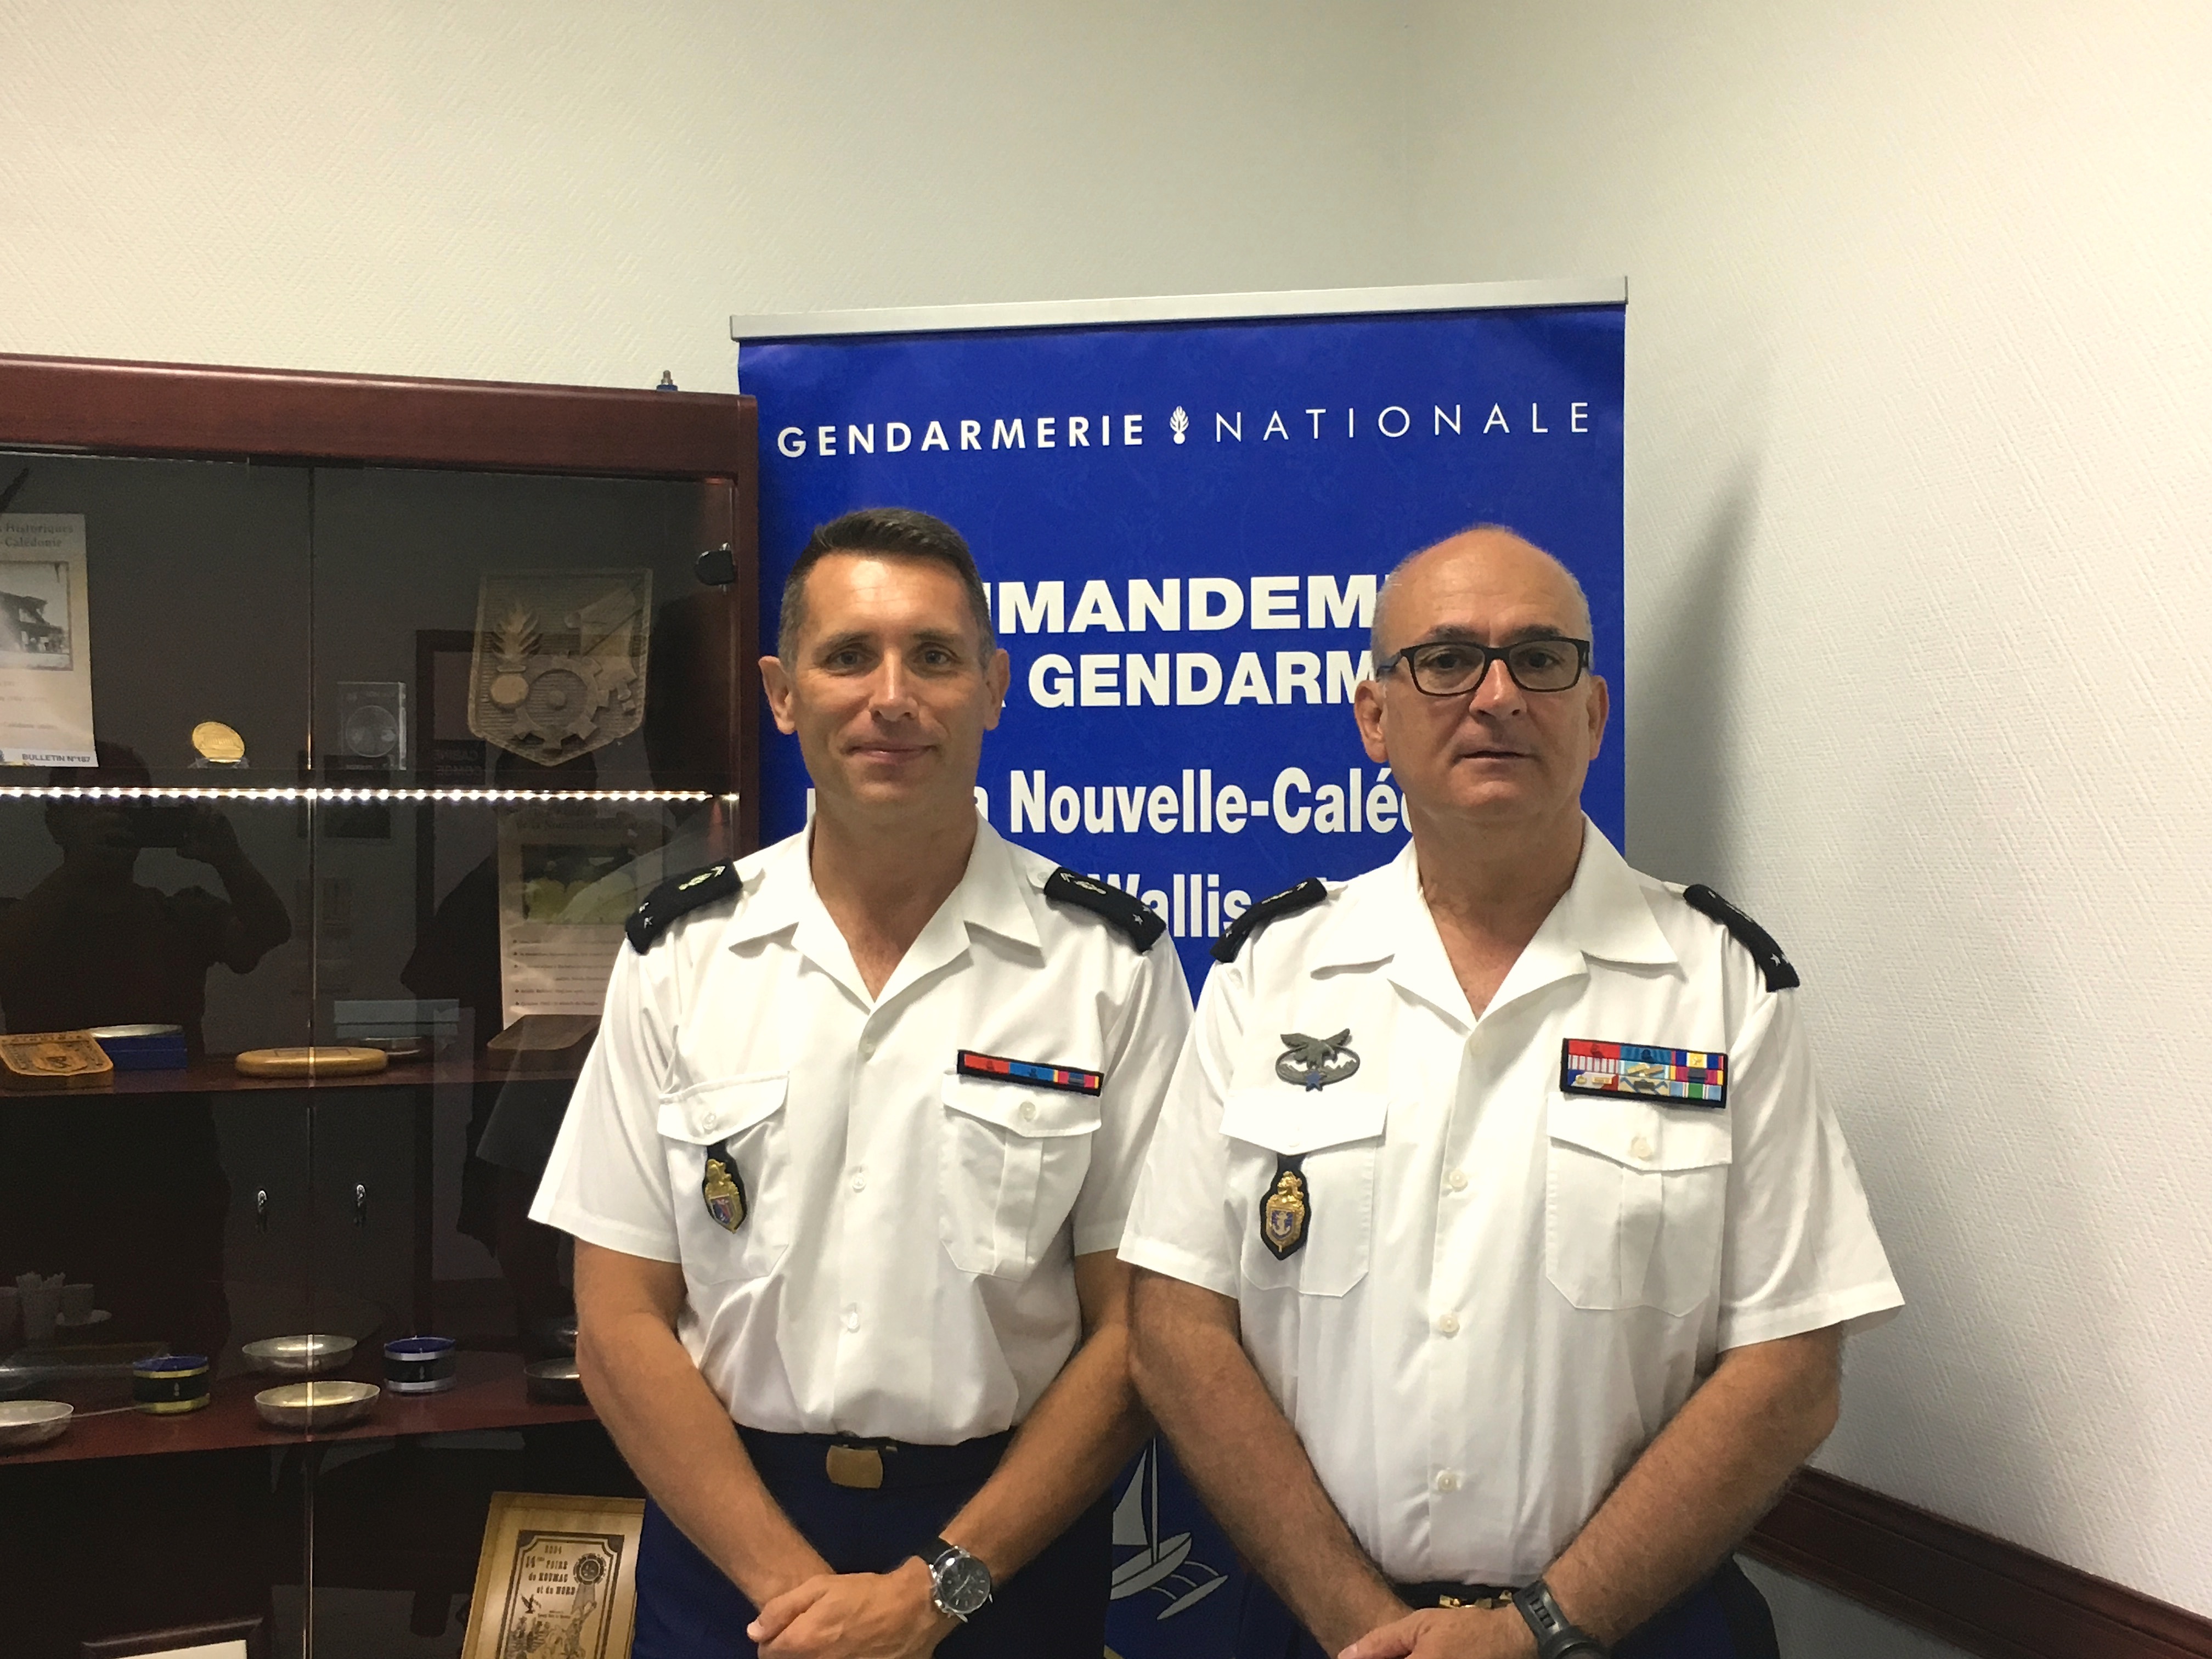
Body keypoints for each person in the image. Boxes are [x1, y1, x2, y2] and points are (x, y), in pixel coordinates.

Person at [1120, 526, 1903, 1659]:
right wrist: (1362, 1625)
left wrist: (1541, 1628)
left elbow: (1790, 1368)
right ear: (1375, 718)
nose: (1497, 697)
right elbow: (1177, 1328)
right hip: (1320, 1631)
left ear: (1592, 713)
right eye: (1446, 660)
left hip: (1637, 1630)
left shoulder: (1719, 986)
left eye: (1539, 659)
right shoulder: (1270, 974)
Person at [531, 507, 1192, 1658]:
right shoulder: (682, 957)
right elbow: (619, 1318)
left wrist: (934, 1594)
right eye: (849, 657)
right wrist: (793, 1593)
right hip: (729, 1550)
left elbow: (1137, 1331)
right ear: (784, 694)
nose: (892, 697)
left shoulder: (1109, 967)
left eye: (934, 656)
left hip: (1005, 1558)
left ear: (994, 687)